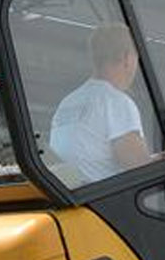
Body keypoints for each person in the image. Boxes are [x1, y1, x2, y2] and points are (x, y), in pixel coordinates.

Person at [48, 24, 154, 184]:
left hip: (74, 192)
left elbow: (93, 156)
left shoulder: (67, 103)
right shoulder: (116, 102)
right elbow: (139, 168)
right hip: (106, 196)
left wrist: (155, 158)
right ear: (127, 57)